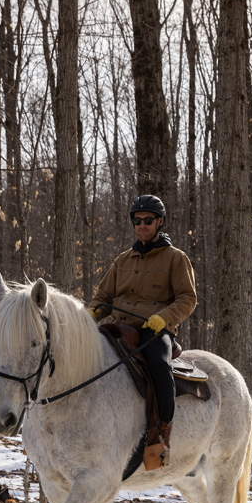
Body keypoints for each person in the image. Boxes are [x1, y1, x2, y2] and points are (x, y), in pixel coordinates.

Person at [88, 195, 197, 469]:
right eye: (137, 221)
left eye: (148, 220)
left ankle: (161, 432)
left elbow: (187, 298)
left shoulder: (176, 259)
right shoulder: (123, 260)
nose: (142, 225)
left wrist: (165, 317)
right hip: (117, 327)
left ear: (160, 222)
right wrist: (93, 313)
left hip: (153, 329)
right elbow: (103, 296)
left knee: (160, 365)